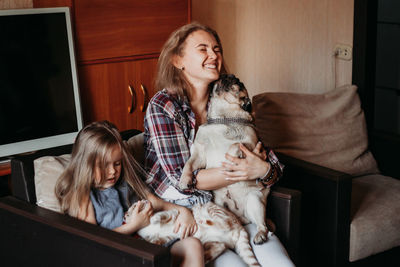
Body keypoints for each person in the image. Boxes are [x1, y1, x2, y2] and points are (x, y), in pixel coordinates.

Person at [144, 22, 295, 267]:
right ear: (177, 60)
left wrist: (262, 170)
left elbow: (271, 164)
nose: (214, 55)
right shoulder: (164, 106)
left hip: (240, 207)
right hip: (196, 216)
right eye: (203, 49)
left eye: (217, 49)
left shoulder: (228, 95)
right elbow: (182, 180)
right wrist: (245, 171)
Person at [55, 120, 204, 267]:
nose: (113, 171)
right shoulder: (83, 196)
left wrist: (184, 211)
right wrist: (133, 225)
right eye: (104, 165)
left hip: (146, 252)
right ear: (86, 163)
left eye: (117, 163)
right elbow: (93, 242)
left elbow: (158, 203)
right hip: (115, 258)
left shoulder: (126, 183)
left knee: (192, 245)